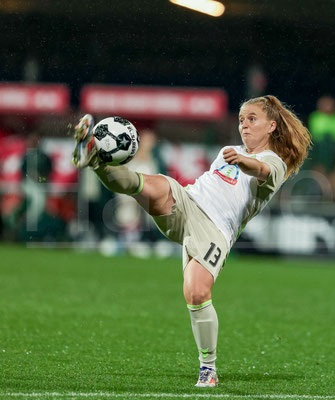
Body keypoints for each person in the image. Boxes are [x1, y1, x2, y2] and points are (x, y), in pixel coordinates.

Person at [71, 95, 312, 388]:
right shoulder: (229, 151)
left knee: (196, 292)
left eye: (252, 119)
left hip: (215, 229)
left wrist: (244, 161)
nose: (244, 126)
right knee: (145, 184)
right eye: (241, 120)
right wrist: (237, 157)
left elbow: (262, 171)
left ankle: (208, 368)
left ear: (272, 126)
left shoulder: (274, 162)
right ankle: (95, 160)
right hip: (187, 200)